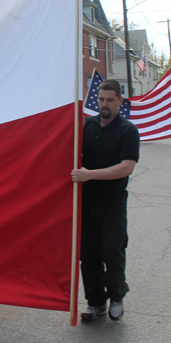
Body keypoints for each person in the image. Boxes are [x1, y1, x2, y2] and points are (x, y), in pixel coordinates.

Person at [72, 79, 139, 322]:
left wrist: (89, 175)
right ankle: (96, 302)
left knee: (112, 252)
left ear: (120, 101)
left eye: (110, 99)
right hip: (87, 202)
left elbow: (126, 167)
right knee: (88, 255)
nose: (104, 104)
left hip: (112, 202)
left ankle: (117, 296)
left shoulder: (127, 130)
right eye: (101, 99)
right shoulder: (87, 126)